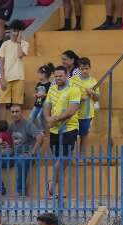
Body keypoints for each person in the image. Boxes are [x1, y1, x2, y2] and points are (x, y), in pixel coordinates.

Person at [44, 65, 81, 197]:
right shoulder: (52, 88)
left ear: (66, 76)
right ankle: (59, 190)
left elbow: (72, 109)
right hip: (54, 130)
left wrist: (56, 118)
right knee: (58, 161)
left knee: (63, 160)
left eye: (61, 76)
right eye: (56, 76)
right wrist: (48, 118)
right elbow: (47, 105)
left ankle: (52, 184)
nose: (58, 78)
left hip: (69, 128)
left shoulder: (74, 89)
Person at [8, 104, 44, 196]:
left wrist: (32, 152)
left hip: (26, 155)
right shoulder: (11, 126)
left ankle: (20, 191)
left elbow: (40, 137)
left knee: (21, 161)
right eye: (12, 112)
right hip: (14, 154)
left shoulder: (28, 124)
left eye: (17, 111)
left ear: (21, 113)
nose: (15, 114)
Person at [0, 19, 29, 122]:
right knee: (2, 104)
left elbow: (20, 55)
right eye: (13, 31)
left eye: (18, 31)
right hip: (6, 78)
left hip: (19, 77)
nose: (15, 33)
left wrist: (19, 42)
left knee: (17, 105)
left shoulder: (24, 44)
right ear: (10, 31)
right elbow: (1, 63)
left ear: (21, 32)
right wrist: (2, 79)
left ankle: (16, 127)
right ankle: (2, 129)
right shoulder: (5, 44)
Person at [71, 57, 100, 155]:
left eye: (86, 68)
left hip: (87, 114)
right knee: (73, 136)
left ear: (90, 68)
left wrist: (92, 93)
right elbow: (67, 95)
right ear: (78, 69)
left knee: (84, 135)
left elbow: (97, 98)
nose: (84, 71)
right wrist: (79, 98)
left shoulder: (93, 81)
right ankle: (73, 156)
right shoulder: (73, 80)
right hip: (73, 113)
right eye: (82, 69)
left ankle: (81, 157)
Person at [29, 63, 54, 128]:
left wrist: (44, 94)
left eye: (39, 73)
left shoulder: (50, 84)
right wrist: (36, 95)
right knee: (31, 117)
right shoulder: (38, 84)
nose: (38, 75)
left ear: (44, 74)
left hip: (44, 106)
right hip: (37, 104)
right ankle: (32, 130)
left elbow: (51, 95)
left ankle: (42, 131)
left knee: (39, 117)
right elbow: (37, 92)